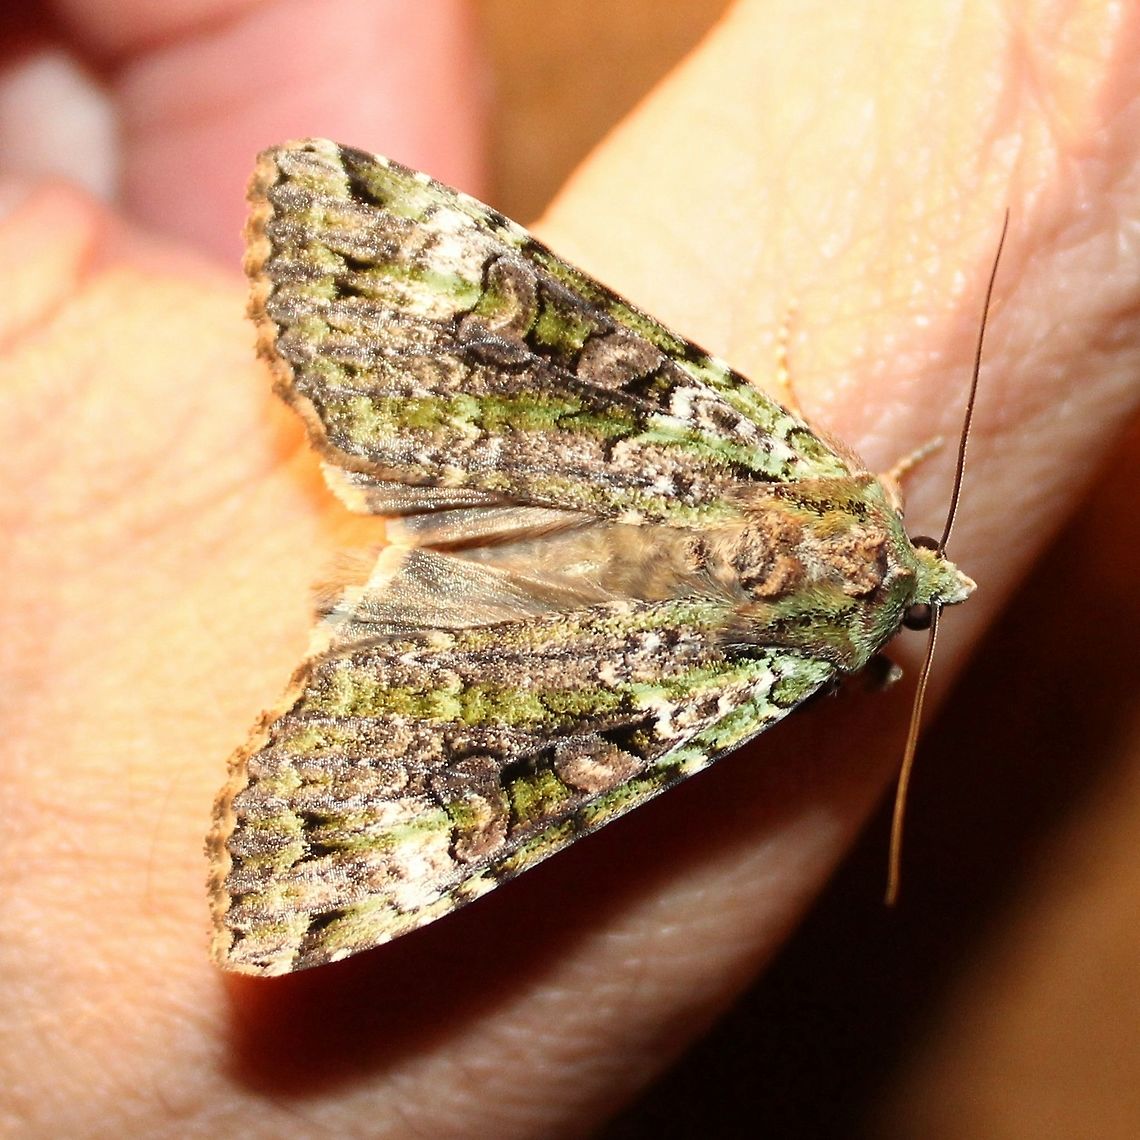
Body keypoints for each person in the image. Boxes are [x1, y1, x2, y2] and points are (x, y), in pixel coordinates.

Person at [3, 1, 1138, 1135]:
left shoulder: (807, 478)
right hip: (624, 673)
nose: (939, 583)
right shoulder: (775, 680)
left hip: (611, 460)